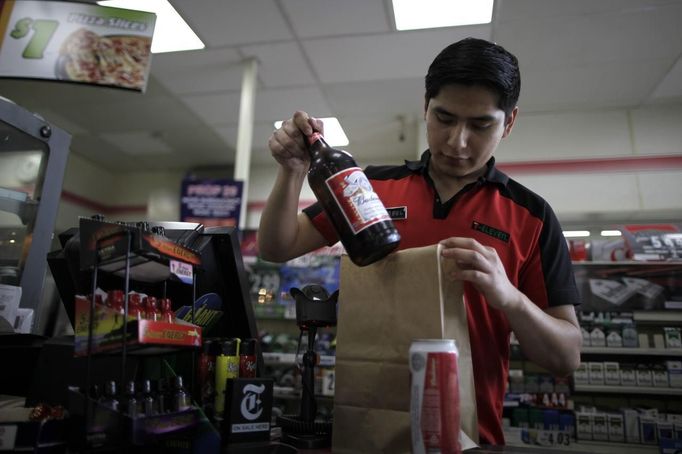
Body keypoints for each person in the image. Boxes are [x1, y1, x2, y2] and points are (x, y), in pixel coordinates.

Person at [258, 37, 582, 445]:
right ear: (425, 106)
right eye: (444, 118)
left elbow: (565, 357)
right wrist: (290, 171)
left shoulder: (531, 216)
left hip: (471, 436)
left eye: (481, 125)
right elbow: (276, 246)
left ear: (510, 122)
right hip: (365, 427)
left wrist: (511, 298)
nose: (457, 142)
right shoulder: (370, 187)